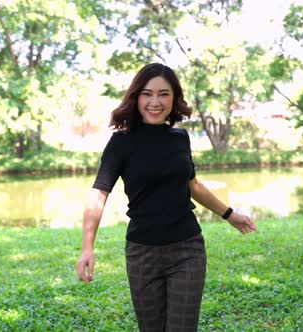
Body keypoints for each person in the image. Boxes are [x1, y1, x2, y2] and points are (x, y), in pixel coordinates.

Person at [76, 63, 257, 331]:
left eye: (164, 94)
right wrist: (87, 247)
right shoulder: (121, 143)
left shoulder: (180, 138)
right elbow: (99, 192)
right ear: (136, 97)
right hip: (142, 254)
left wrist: (229, 215)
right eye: (147, 94)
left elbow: (193, 186)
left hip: (187, 249)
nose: (155, 102)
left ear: (174, 98)